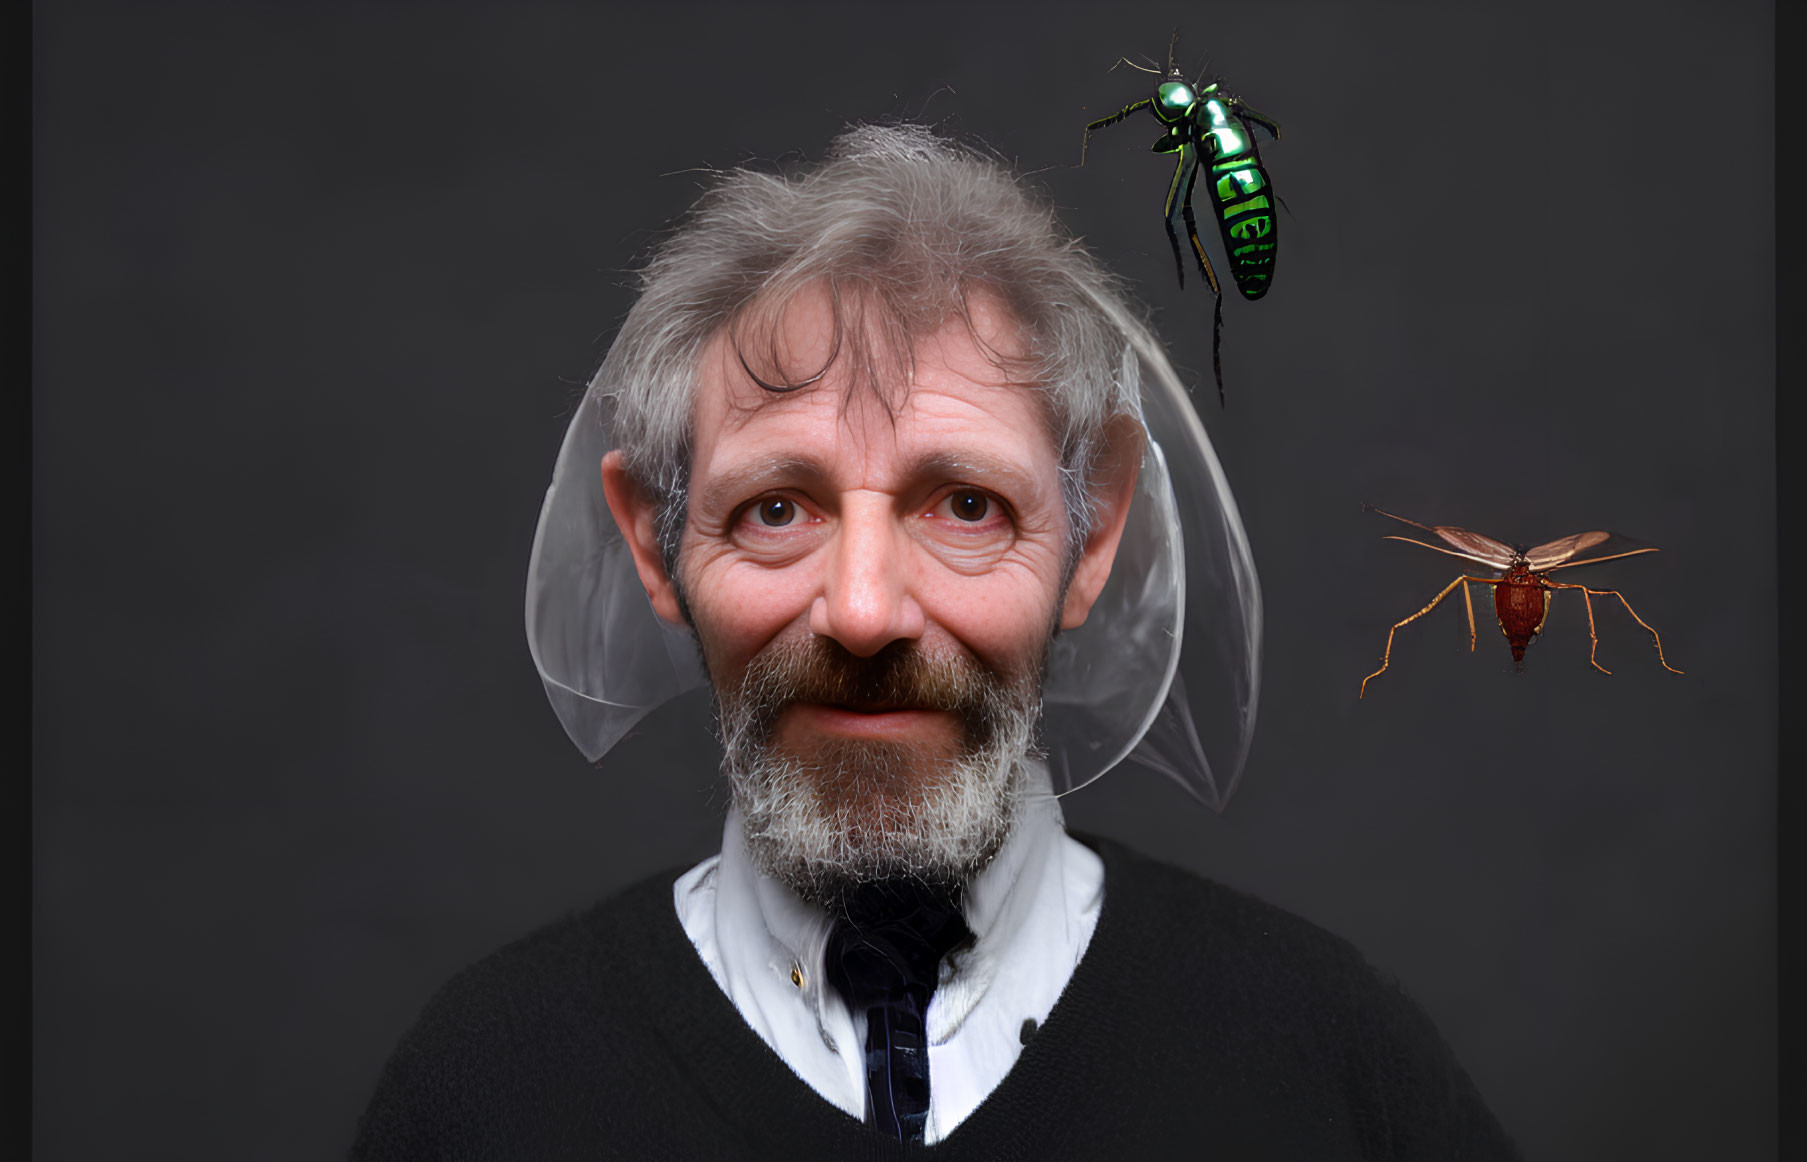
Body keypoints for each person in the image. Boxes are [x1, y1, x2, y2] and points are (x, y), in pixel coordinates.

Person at [352, 123, 1520, 1159]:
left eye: (965, 504)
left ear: (1094, 528)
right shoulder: (486, 1097)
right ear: (655, 548)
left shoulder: (1325, 1066)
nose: (864, 612)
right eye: (776, 508)